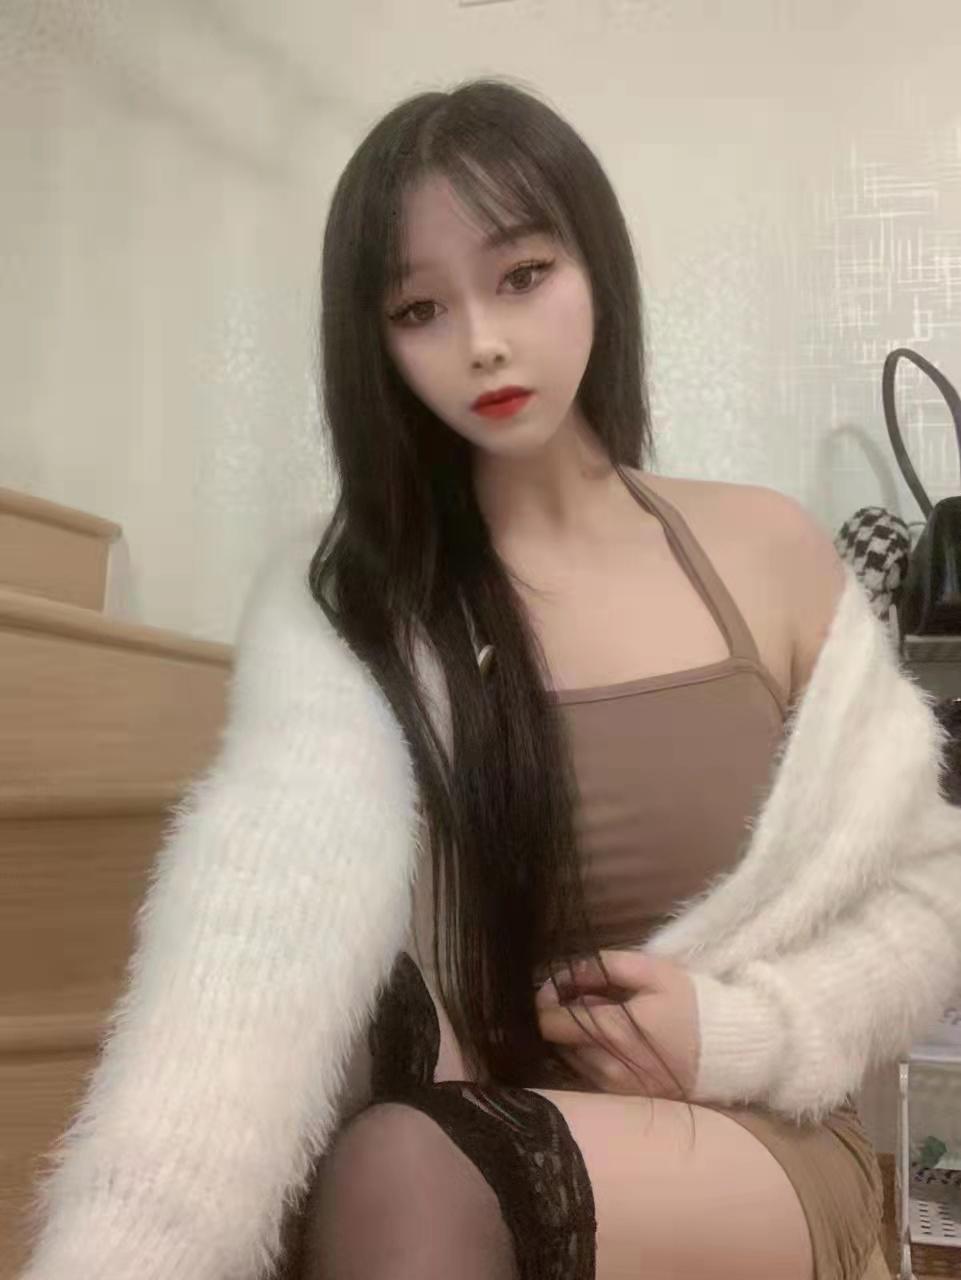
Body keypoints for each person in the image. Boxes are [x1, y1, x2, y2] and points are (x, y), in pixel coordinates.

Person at [23, 76, 961, 1280]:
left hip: (747, 1134)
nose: (481, 341)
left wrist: (737, 1032)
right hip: (469, 1128)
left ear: (595, 266)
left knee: (402, 1167)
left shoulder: (762, 547)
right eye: (419, 308)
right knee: (383, 1130)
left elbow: (931, 890)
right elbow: (251, 928)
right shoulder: (353, 596)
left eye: (521, 275)